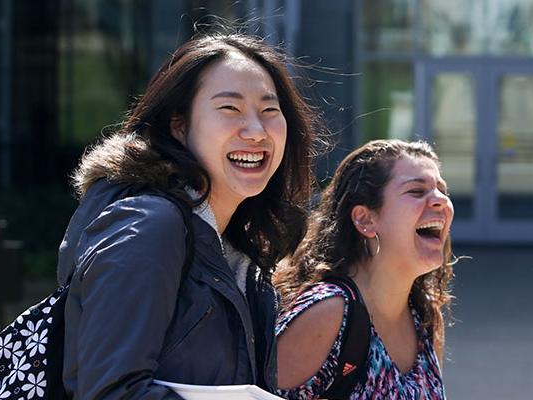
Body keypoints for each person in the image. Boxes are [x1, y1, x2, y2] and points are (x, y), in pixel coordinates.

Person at [55, 32, 322, 399]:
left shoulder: (238, 248)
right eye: (230, 108)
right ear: (179, 126)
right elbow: (109, 393)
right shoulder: (150, 227)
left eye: (269, 111)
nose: (257, 131)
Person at [273, 139, 455, 399]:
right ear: (365, 220)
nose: (441, 201)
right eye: (417, 191)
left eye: (442, 190)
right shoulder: (327, 313)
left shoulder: (425, 316)